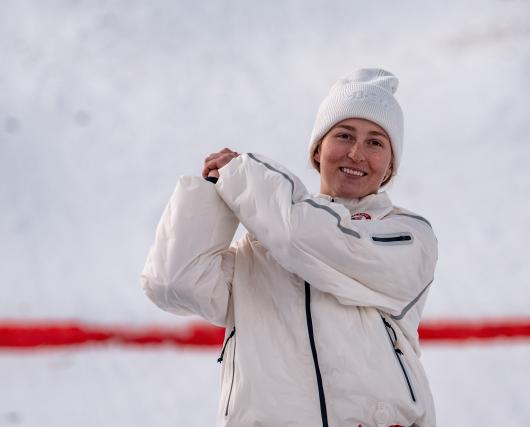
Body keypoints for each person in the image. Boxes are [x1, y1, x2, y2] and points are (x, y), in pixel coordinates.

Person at [141, 68, 438, 427]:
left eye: (376, 142)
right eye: (344, 135)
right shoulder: (261, 246)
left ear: (390, 165)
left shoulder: (408, 235)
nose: (357, 153)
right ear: (317, 151)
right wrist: (209, 194)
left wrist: (245, 178)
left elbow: (311, 239)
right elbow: (173, 283)